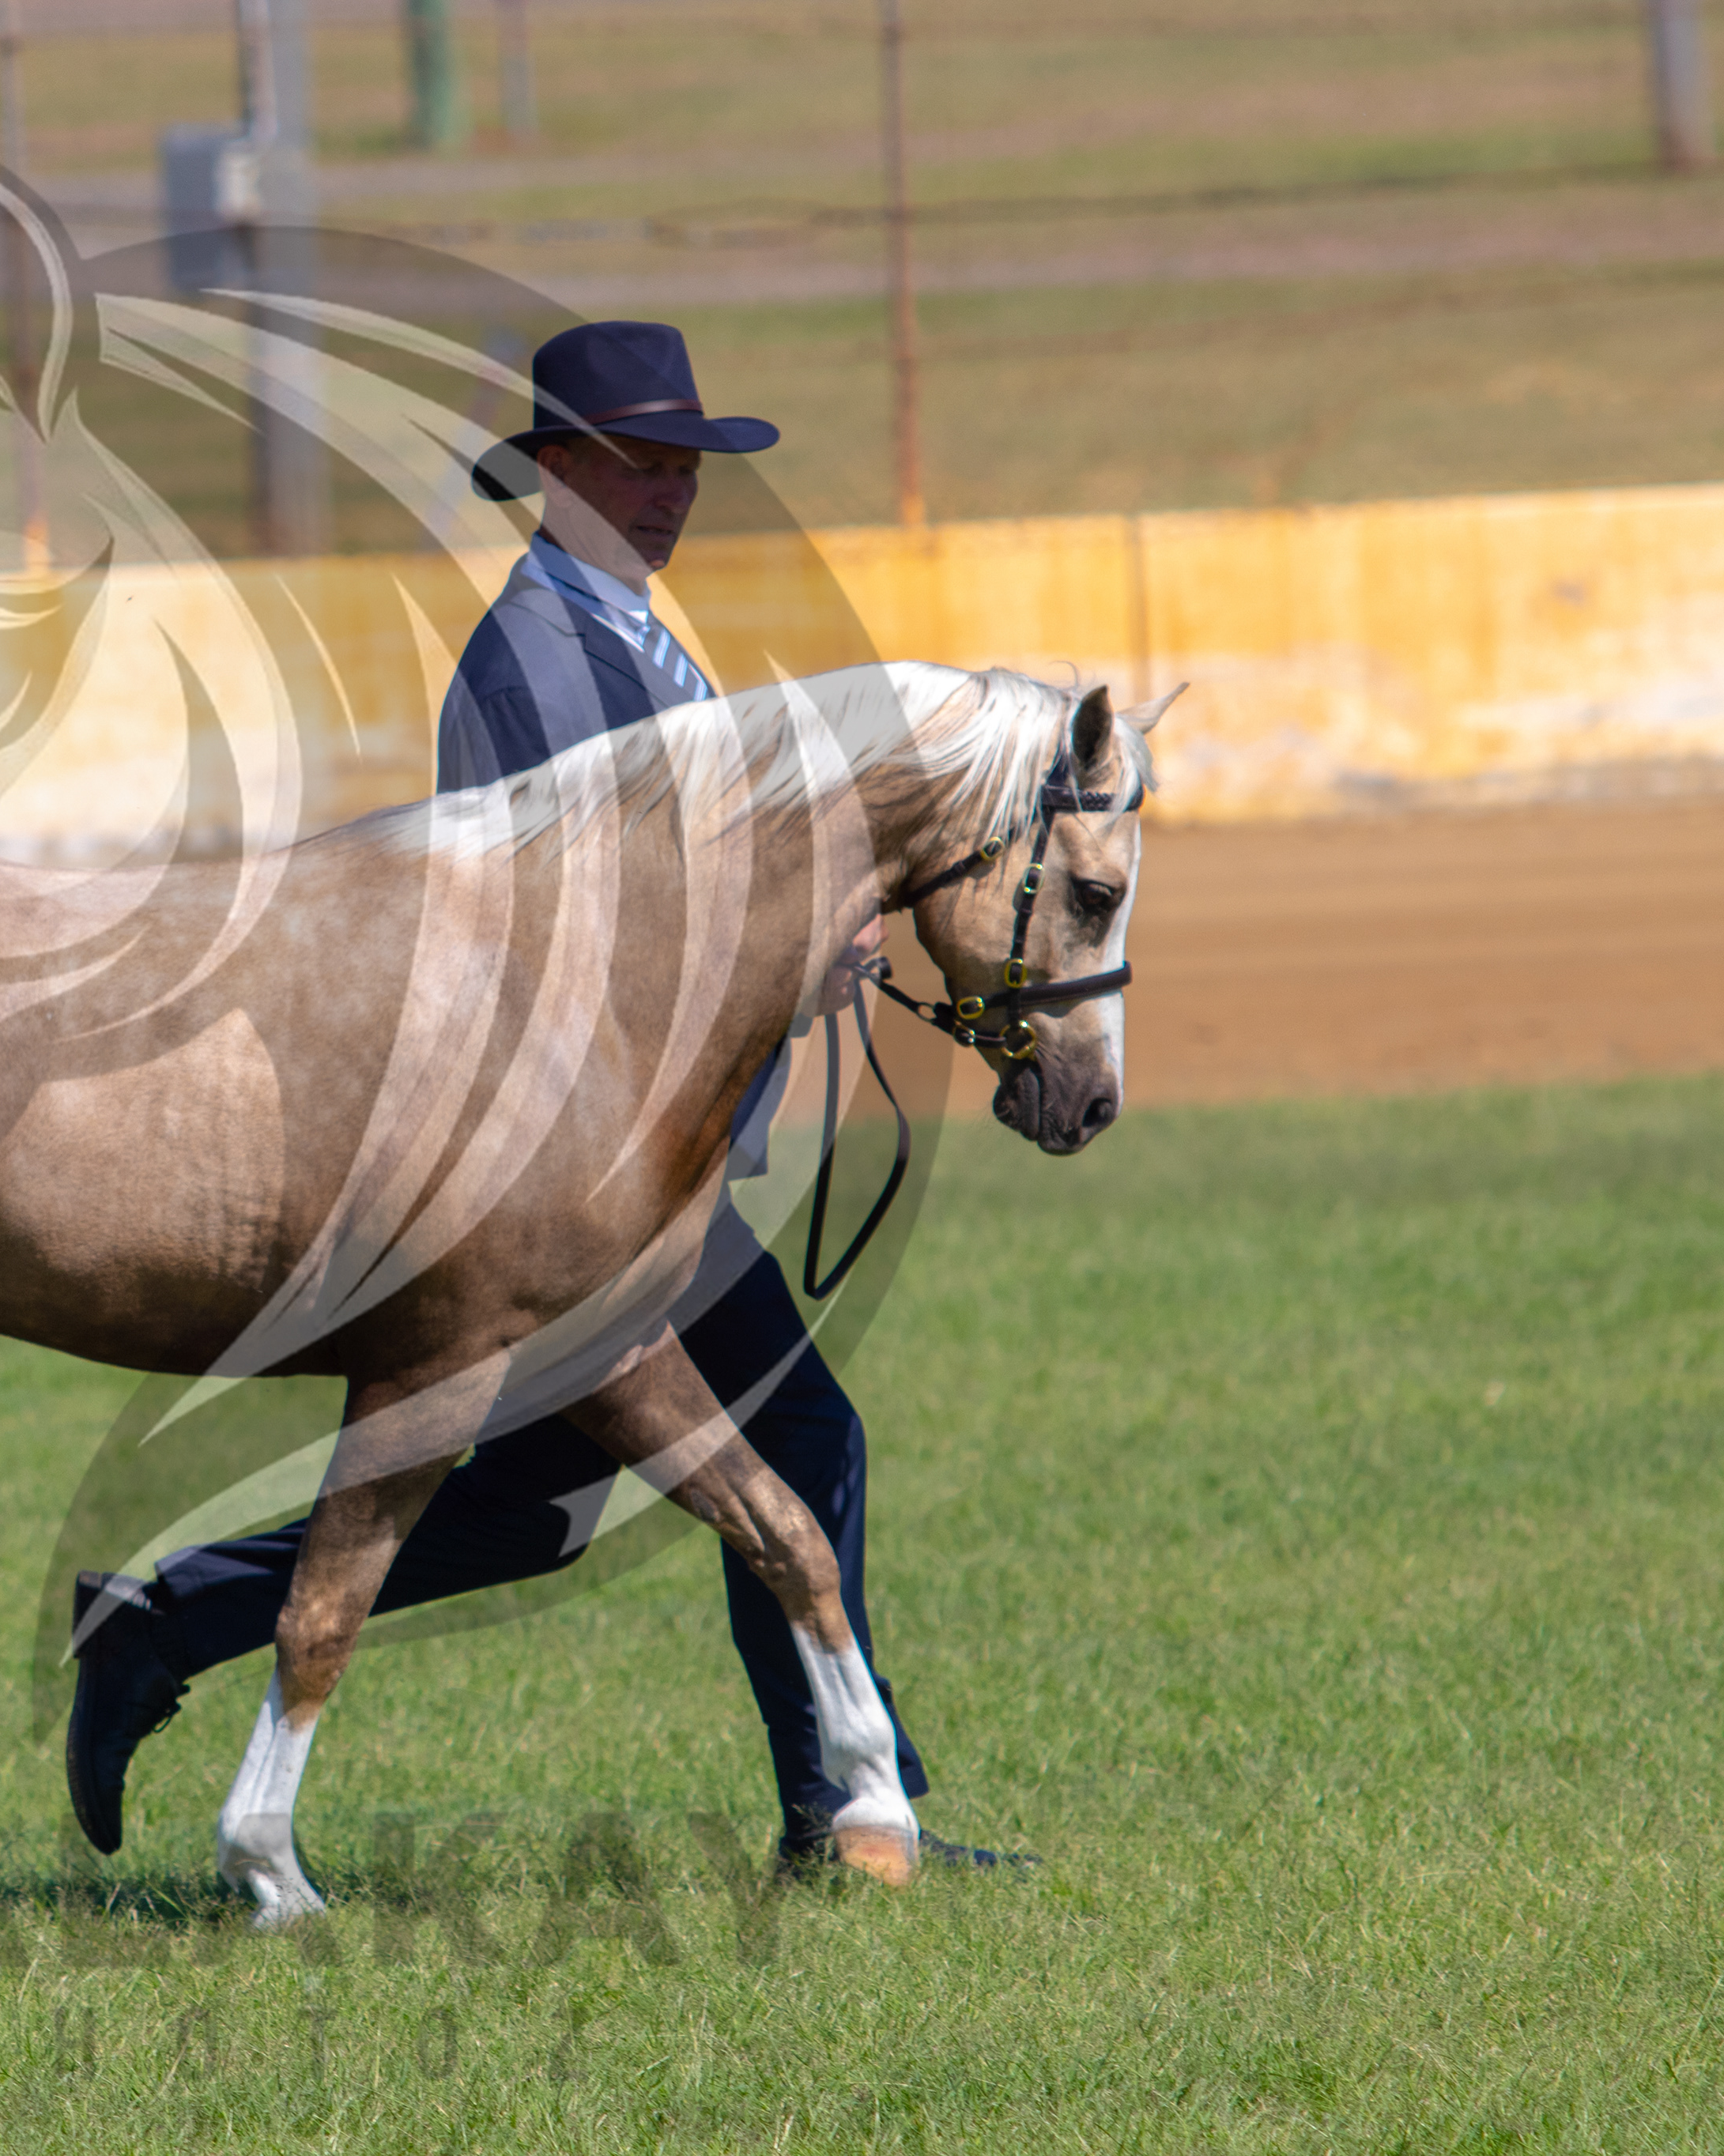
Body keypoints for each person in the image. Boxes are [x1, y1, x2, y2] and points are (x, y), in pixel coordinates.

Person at [64, 320, 1025, 1877]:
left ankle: (165, 1616)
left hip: (625, 1169)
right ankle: (856, 1808)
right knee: (793, 1438)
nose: (671, 492)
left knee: (543, 1502)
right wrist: (787, 949)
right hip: (559, 1174)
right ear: (559, 470)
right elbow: (567, 917)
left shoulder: (635, 638)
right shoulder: (534, 659)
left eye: (684, 467)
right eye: (640, 465)